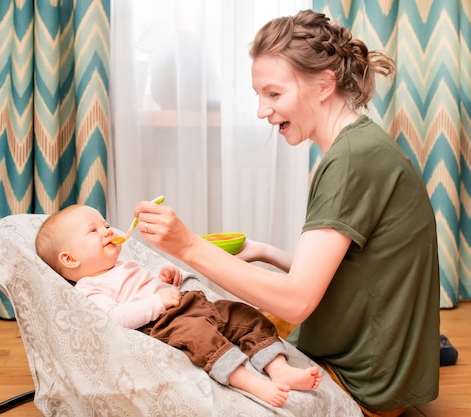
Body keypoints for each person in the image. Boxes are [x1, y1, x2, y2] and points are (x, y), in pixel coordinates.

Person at [132, 9, 440, 417]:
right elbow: (356, 271)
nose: (262, 111)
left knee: (209, 341)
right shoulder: (359, 145)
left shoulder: (352, 160)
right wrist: (265, 251)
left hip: (360, 382)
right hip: (378, 366)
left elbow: (296, 303)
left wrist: (186, 246)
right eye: (259, 95)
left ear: (324, 85)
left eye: (274, 95)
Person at [35, 204, 322, 407]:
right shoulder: (91, 287)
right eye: (94, 230)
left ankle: (277, 365)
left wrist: (168, 281)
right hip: (164, 323)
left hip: (190, 304)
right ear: (70, 259)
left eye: (106, 225)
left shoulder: (123, 265)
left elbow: (150, 287)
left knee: (244, 314)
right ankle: (247, 380)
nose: (108, 231)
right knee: (202, 337)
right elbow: (114, 318)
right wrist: (157, 302)